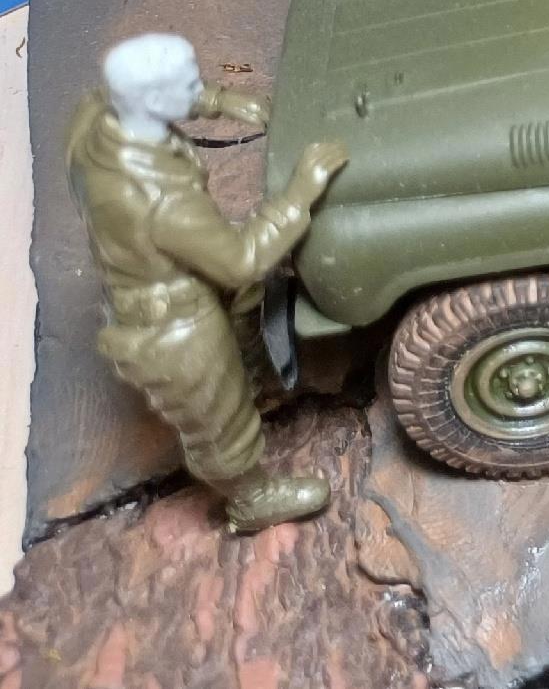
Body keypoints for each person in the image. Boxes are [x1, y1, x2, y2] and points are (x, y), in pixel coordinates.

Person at [65, 33, 347, 533]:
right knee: (217, 422)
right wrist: (298, 194)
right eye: (189, 85)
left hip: (163, 270)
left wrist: (219, 101)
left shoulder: (95, 118)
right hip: (171, 324)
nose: (198, 89)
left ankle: (255, 379)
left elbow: (135, 97)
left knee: (246, 303)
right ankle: (252, 500)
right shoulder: (158, 199)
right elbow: (241, 260)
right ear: (154, 99)